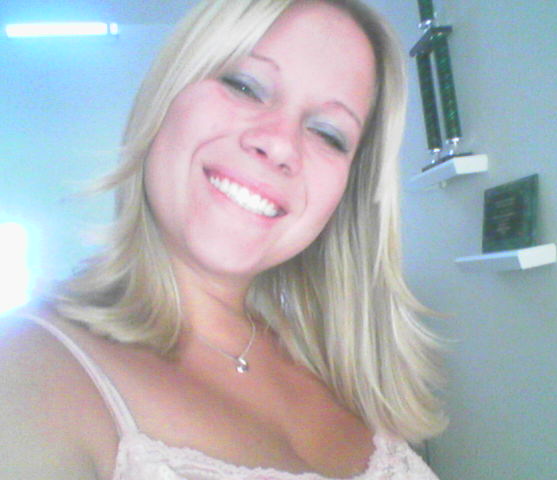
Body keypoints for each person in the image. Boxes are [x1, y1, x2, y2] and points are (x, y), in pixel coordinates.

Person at [0, 0, 447, 478]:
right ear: (166, 97)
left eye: (328, 134)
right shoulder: (26, 370)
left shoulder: (344, 367)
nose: (280, 143)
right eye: (245, 86)